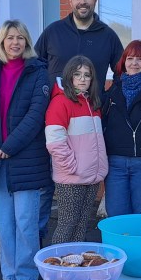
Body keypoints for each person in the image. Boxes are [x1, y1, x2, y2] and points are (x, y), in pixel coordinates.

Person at [35, 0, 124, 244]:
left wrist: (104, 99)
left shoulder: (108, 35)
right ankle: (45, 254)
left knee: (80, 219)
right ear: (70, 1)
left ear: (95, 0)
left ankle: (73, 259)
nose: (82, 2)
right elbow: (36, 66)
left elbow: (121, 72)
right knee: (50, 197)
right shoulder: (53, 32)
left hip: (90, 115)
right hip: (55, 119)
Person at [0, 20, 51, 280]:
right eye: (10, 38)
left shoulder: (38, 72)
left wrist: (9, 147)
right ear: (2, 42)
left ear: (26, 41)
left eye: (20, 37)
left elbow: (35, 116)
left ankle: (26, 277)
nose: (15, 42)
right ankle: (9, 276)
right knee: (3, 223)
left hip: (26, 160)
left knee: (26, 222)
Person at [45, 56, 109, 244]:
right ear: (69, 76)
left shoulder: (92, 104)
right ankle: (58, 261)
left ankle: (75, 260)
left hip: (92, 176)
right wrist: (71, 167)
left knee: (81, 225)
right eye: (77, 74)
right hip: (71, 177)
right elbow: (55, 142)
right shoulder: (60, 102)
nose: (82, 79)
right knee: (67, 225)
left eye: (87, 75)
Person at [103, 40, 141, 216]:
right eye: (130, 58)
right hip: (115, 163)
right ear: (124, 62)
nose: (134, 63)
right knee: (116, 215)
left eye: (140, 59)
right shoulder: (114, 89)